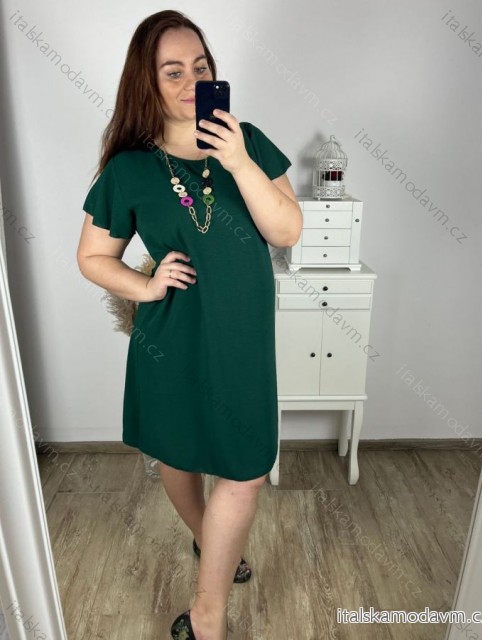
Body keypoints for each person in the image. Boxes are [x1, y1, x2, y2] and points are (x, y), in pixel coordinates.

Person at [76, 9, 302, 640]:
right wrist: (147, 286)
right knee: (177, 453)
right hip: (171, 340)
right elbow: (92, 257)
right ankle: (211, 549)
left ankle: (207, 610)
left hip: (241, 339)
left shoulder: (246, 141)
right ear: (145, 81)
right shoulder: (129, 169)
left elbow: (287, 230)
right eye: (172, 71)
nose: (190, 82)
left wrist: (239, 162)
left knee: (246, 469)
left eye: (200, 67)